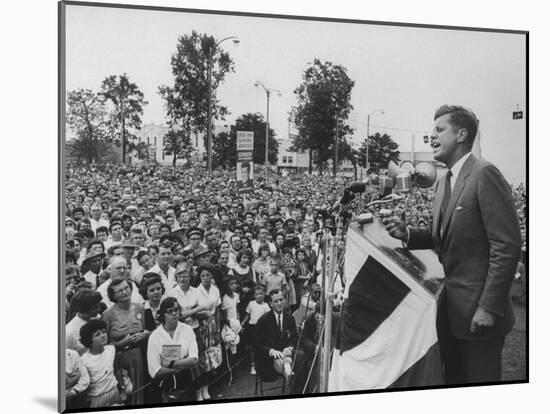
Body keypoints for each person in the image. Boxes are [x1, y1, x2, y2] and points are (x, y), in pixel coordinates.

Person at [384, 105, 521, 385]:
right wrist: (407, 232)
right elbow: (444, 239)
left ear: (461, 134)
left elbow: (507, 247)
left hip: (479, 316)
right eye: (431, 130)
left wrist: (489, 308)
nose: (430, 136)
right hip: (450, 313)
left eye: (439, 129)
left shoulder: (484, 174)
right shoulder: (445, 180)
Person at [102, 278, 149, 405]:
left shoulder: (139, 308)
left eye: (126, 288)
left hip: (139, 356)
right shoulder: (108, 315)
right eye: (119, 291)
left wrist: (145, 334)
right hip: (120, 360)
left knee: (141, 392)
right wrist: (124, 342)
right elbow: (105, 346)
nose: (124, 292)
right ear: (113, 295)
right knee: (127, 394)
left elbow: (146, 329)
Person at [147, 297, 199, 403]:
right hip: (165, 387)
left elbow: (194, 359)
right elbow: (154, 371)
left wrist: (170, 364)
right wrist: (181, 366)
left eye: (176, 310)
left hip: (186, 383)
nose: (174, 313)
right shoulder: (155, 336)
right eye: (170, 311)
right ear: (162, 314)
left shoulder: (187, 330)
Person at [254, 289, 304, 391]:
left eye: (281, 299)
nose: (279, 303)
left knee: (301, 356)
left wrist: (290, 347)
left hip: (285, 354)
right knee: (286, 365)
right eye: (276, 301)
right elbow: (256, 344)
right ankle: (290, 377)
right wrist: (270, 351)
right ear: (270, 304)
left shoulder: (290, 318)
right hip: (268, 359)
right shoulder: (263, 320)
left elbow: (294, 337)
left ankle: (296, 389)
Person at [194, 265, 222, 401]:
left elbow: (217, 310)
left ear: (212, 277)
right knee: (202, 358)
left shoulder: (215, 290)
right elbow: (194, 314)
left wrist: (217, 329)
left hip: (212, 325)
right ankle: (198, 391)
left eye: (208, 275)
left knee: (211, 356)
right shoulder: (196, 291)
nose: (205, 278)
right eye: (203, 276)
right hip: (201, 327)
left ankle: (206, 388)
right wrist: (204, 316)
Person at [79, 319, 122, 408]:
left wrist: (123, 389)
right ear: (89, 340)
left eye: (103, 332)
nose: (103, 336)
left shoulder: (111, 349)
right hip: (97, 398)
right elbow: (83, 385)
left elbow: (117, 370)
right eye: (97, 335)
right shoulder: (84, 360)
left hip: (114, 392)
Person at [242, 285, 271, 375]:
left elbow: (269, 319)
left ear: (264, 295)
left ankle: (263, 364)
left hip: (262, 329)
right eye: (257, 294)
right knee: (252, 348)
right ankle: (253, 365)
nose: (259, 296)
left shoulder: (266, 306)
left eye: (261, 294)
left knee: (263, 346)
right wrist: (242, 323)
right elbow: (247, 315)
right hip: (252, 328)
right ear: (254, 296)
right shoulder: (251, 303)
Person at [66, 290, 103, 355]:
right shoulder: (69, 331)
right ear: (83, 310)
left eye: (99, 306)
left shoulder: (98, 318)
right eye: (95, 308)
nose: (99, 309)